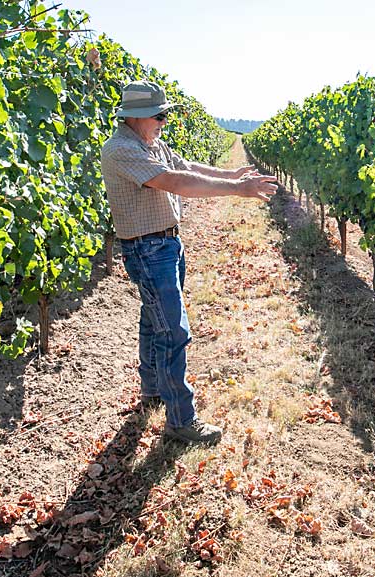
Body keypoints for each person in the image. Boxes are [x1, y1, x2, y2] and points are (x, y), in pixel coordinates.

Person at [100, 80, 277, 444]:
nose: (165, 121)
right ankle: (180, 420)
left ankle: (152, 390)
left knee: (154, 321)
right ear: (137, 117)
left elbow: (186, 165)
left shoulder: (149, 142)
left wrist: (231, 175)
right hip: (148, 250)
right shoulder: (121, 150)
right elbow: (175, 181)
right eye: (160, 115)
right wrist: (237, 191)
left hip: (165, 245)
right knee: (173, 331)